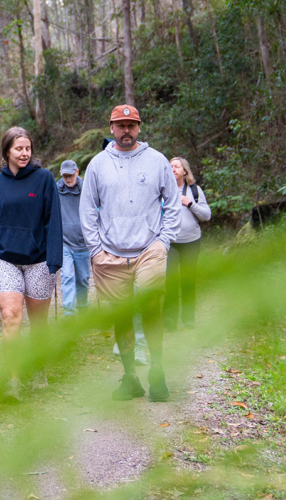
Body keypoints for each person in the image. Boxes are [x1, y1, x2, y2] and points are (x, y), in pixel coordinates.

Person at [81, 104, 180, 403]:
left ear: (139, 128)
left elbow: (172, 203)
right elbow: (87, 210)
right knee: (121, 315)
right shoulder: (98, 164)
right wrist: (95, 249)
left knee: (151, 307)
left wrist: (164, 241)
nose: (126, 130)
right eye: (120, 125)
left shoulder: (157, 161)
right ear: (111, 127)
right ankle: (130, 378)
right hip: (111, 252)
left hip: (150, 248)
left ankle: (158, 372)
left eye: (131, 125)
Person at [0, 127, 61, 401]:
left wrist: (54, 259)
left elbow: (53, 220)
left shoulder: (44, 179)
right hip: (6, 260)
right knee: (10, 317)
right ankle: (13, 379)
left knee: (38, 322)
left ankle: (38, 370)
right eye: (18, 149)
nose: (24, 153)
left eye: (27, 148)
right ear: (7, 152)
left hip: (38, 261)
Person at [165, 156, 211, 331]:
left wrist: (190, 203)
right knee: (170, 281)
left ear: (185, 171)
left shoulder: (194, 190)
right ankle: (169, 319)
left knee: (188, 281)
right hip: (171, 243)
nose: (173, 169)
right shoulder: (163, 190)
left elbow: (207, 216)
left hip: (191, 242)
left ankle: (188, 319)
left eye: (176, 166)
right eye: (170, 166)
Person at [57, 159, 91, 314]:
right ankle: (69, 311)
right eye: (65, 176)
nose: (68, 179)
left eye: (71, 175)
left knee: (83, 279)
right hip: (65, 242)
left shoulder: (87, 189)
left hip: (83, 243)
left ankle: (83, 306)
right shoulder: (56, 190)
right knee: (67, 277)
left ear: (77, 172)